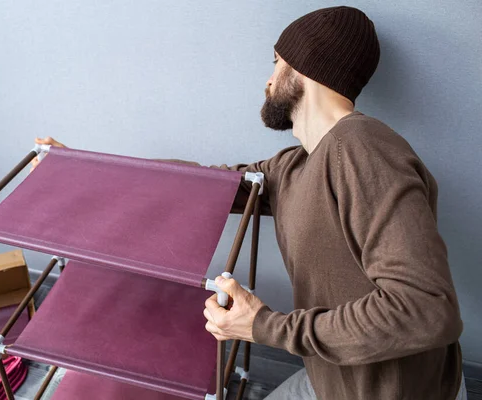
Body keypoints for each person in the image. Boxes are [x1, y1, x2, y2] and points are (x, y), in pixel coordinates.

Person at [31, 6, 465, 399]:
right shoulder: (293, 166)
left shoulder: (363, 149)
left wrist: (262, 326)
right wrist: (78, 169)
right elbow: (201, 185)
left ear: (306, 70)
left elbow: (425, 309)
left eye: (276, 62)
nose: (268, 79)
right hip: (328, 379)